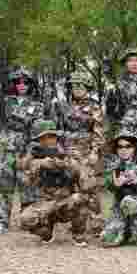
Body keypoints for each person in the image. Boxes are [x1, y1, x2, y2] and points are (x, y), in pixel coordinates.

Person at [18, 120, 94, 246]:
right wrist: (41, 164)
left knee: (81, 198)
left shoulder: (68, 156)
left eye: (51, 136)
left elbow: (87, 185)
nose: (48, 140)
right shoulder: (34, 159)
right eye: (44, 138)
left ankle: (78, 234)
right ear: (39, 140)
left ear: (56, 138)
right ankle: (46, 233)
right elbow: (25, 178)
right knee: (25, 218)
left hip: (65, 203)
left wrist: (72, 164)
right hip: (45, 204)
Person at [0, 67, 45, 234]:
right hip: (7, 149)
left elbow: (38, 131)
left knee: (27, 185)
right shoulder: (6, 101)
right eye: (18, 82)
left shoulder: (38, 106)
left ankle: (28, 220)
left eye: (25, 82)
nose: (22, 85)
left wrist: (32, 152)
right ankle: (2, 222)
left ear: (31, 85)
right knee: (4, 185)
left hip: (25, 150)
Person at [51, 71, 105, 236]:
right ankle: (76, 222)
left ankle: (97, 225)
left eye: (81, 85)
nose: (77, 88)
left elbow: (98, 132)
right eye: (74, 86)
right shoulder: (65, 106)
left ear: (87, 87)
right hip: (68, 152)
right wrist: (59, 149)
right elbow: (58, 129)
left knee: (89, 187)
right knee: (70, 188)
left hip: (86, 152)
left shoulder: (94, 106)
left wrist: (95, 152)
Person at [102, 129, 137, 248]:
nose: (123, 150)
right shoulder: (114, 164)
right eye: (120, 147)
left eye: (128, 146)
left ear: (134, 147)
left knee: (129, 201)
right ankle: (126, 232)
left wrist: (126, 177)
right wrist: (114, 182)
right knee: (107, 238)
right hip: (120, 209)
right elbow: (108, 182)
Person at [105, 47, 137, 157]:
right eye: (130, 60)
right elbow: (111, 112)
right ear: (125, 64)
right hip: (125, 129)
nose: (134, 64)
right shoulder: (118, 84)